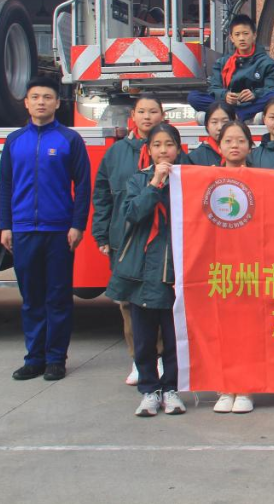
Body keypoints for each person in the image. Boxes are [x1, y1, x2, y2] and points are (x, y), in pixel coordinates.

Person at [0, 77, 91, 382]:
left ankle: (55, 359)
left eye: (47, 97)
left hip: (59, 231)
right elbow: (6, 186)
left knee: (58, 298)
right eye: (35, 97)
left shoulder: (69, 140)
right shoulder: (14, 141)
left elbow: (83, 186)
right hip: (24, 230)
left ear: (57, 103)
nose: (41, 102)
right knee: (31, 299)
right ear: (26, 103)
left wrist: (77, 225)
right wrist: (6, 226)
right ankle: (34, 359)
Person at [105, 123, 186, 417]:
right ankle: (149, 390)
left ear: (179, 148)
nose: (163, 150)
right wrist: (155, 184)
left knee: (174, 337)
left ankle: (171, 388)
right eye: (157, 145)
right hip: (140, 270)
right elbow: (133, 213)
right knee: (144, 338)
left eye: (169, 144)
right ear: (148, 150)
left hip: (173, 269)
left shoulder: (187, 179)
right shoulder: (138, 180)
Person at [93, 94, 166, 386]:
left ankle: (161, 357)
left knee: (161, 298)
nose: (147, 117)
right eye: (142, 112)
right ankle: (139, 358)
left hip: (161, 239)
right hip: (124, 237)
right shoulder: (116, 152)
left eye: (153, 111)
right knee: (128, 301)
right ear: (132, 116)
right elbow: (102, 195)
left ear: (162, 115)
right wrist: (101, 233)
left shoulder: (169, 149)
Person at [211, 119, 256, 414]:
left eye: (241, 140)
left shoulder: (263, 178)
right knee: (220, 328)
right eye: (228, 141)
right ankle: (224, 387)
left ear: (250, 146)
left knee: (249, 329)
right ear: (219, 146)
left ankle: (246, 388)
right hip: (218, 265)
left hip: (252, 263)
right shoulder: (207, 179)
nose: (235, 146)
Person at [188, 14, 274, 121]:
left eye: (245, 34)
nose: (241, 38)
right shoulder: (222, 63)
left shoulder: (267, 63)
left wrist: (254, 94)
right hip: (227, 105)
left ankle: (235, 115)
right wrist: (225, 95)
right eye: (237, 34)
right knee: (193, 97)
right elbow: (214, 89)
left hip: (252, 105)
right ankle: (230, 113)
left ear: (254, 35)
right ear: (232, 38)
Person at [189, 102, 233, 166]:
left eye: (225, 121)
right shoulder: (195, 157)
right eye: (214, 122)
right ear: (207, 125)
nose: (220, 127)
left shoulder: (243, 152)